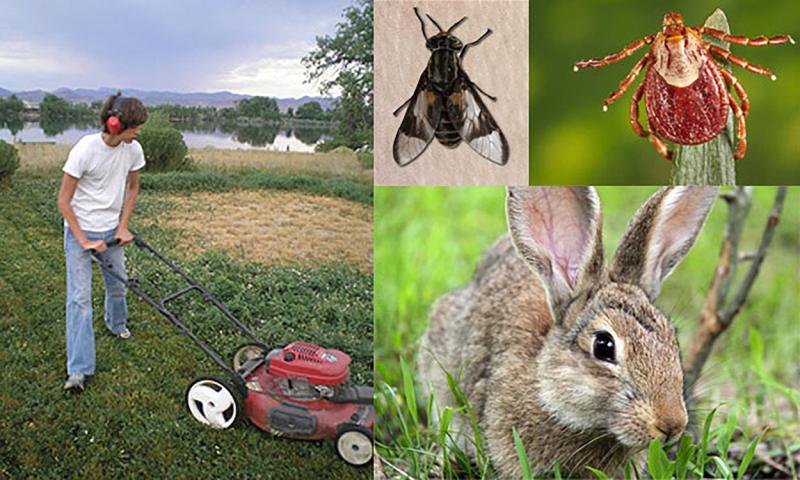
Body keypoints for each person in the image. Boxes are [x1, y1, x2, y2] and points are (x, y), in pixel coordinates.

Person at [56, 92, 148, 391]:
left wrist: (123, 226)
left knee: (117, 288)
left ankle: (116, 324)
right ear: (114, 124)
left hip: (111, 231)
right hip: (80, 232)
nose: (138, 132)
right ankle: (78, 371)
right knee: (80, 300)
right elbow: (63, 201)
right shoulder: (85, 149)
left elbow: (132, 189)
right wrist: (83, 240)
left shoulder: (132, 150)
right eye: (134, 127)